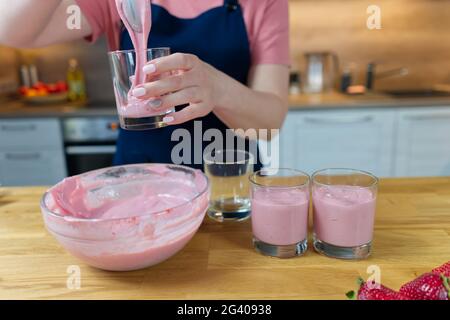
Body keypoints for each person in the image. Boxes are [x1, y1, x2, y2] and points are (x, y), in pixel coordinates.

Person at [0, 0, 290, 169]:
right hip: (142, 180)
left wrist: (218, 89)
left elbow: (269, 122)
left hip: (229, 185)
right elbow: (13, 32)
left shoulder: (262, 3)